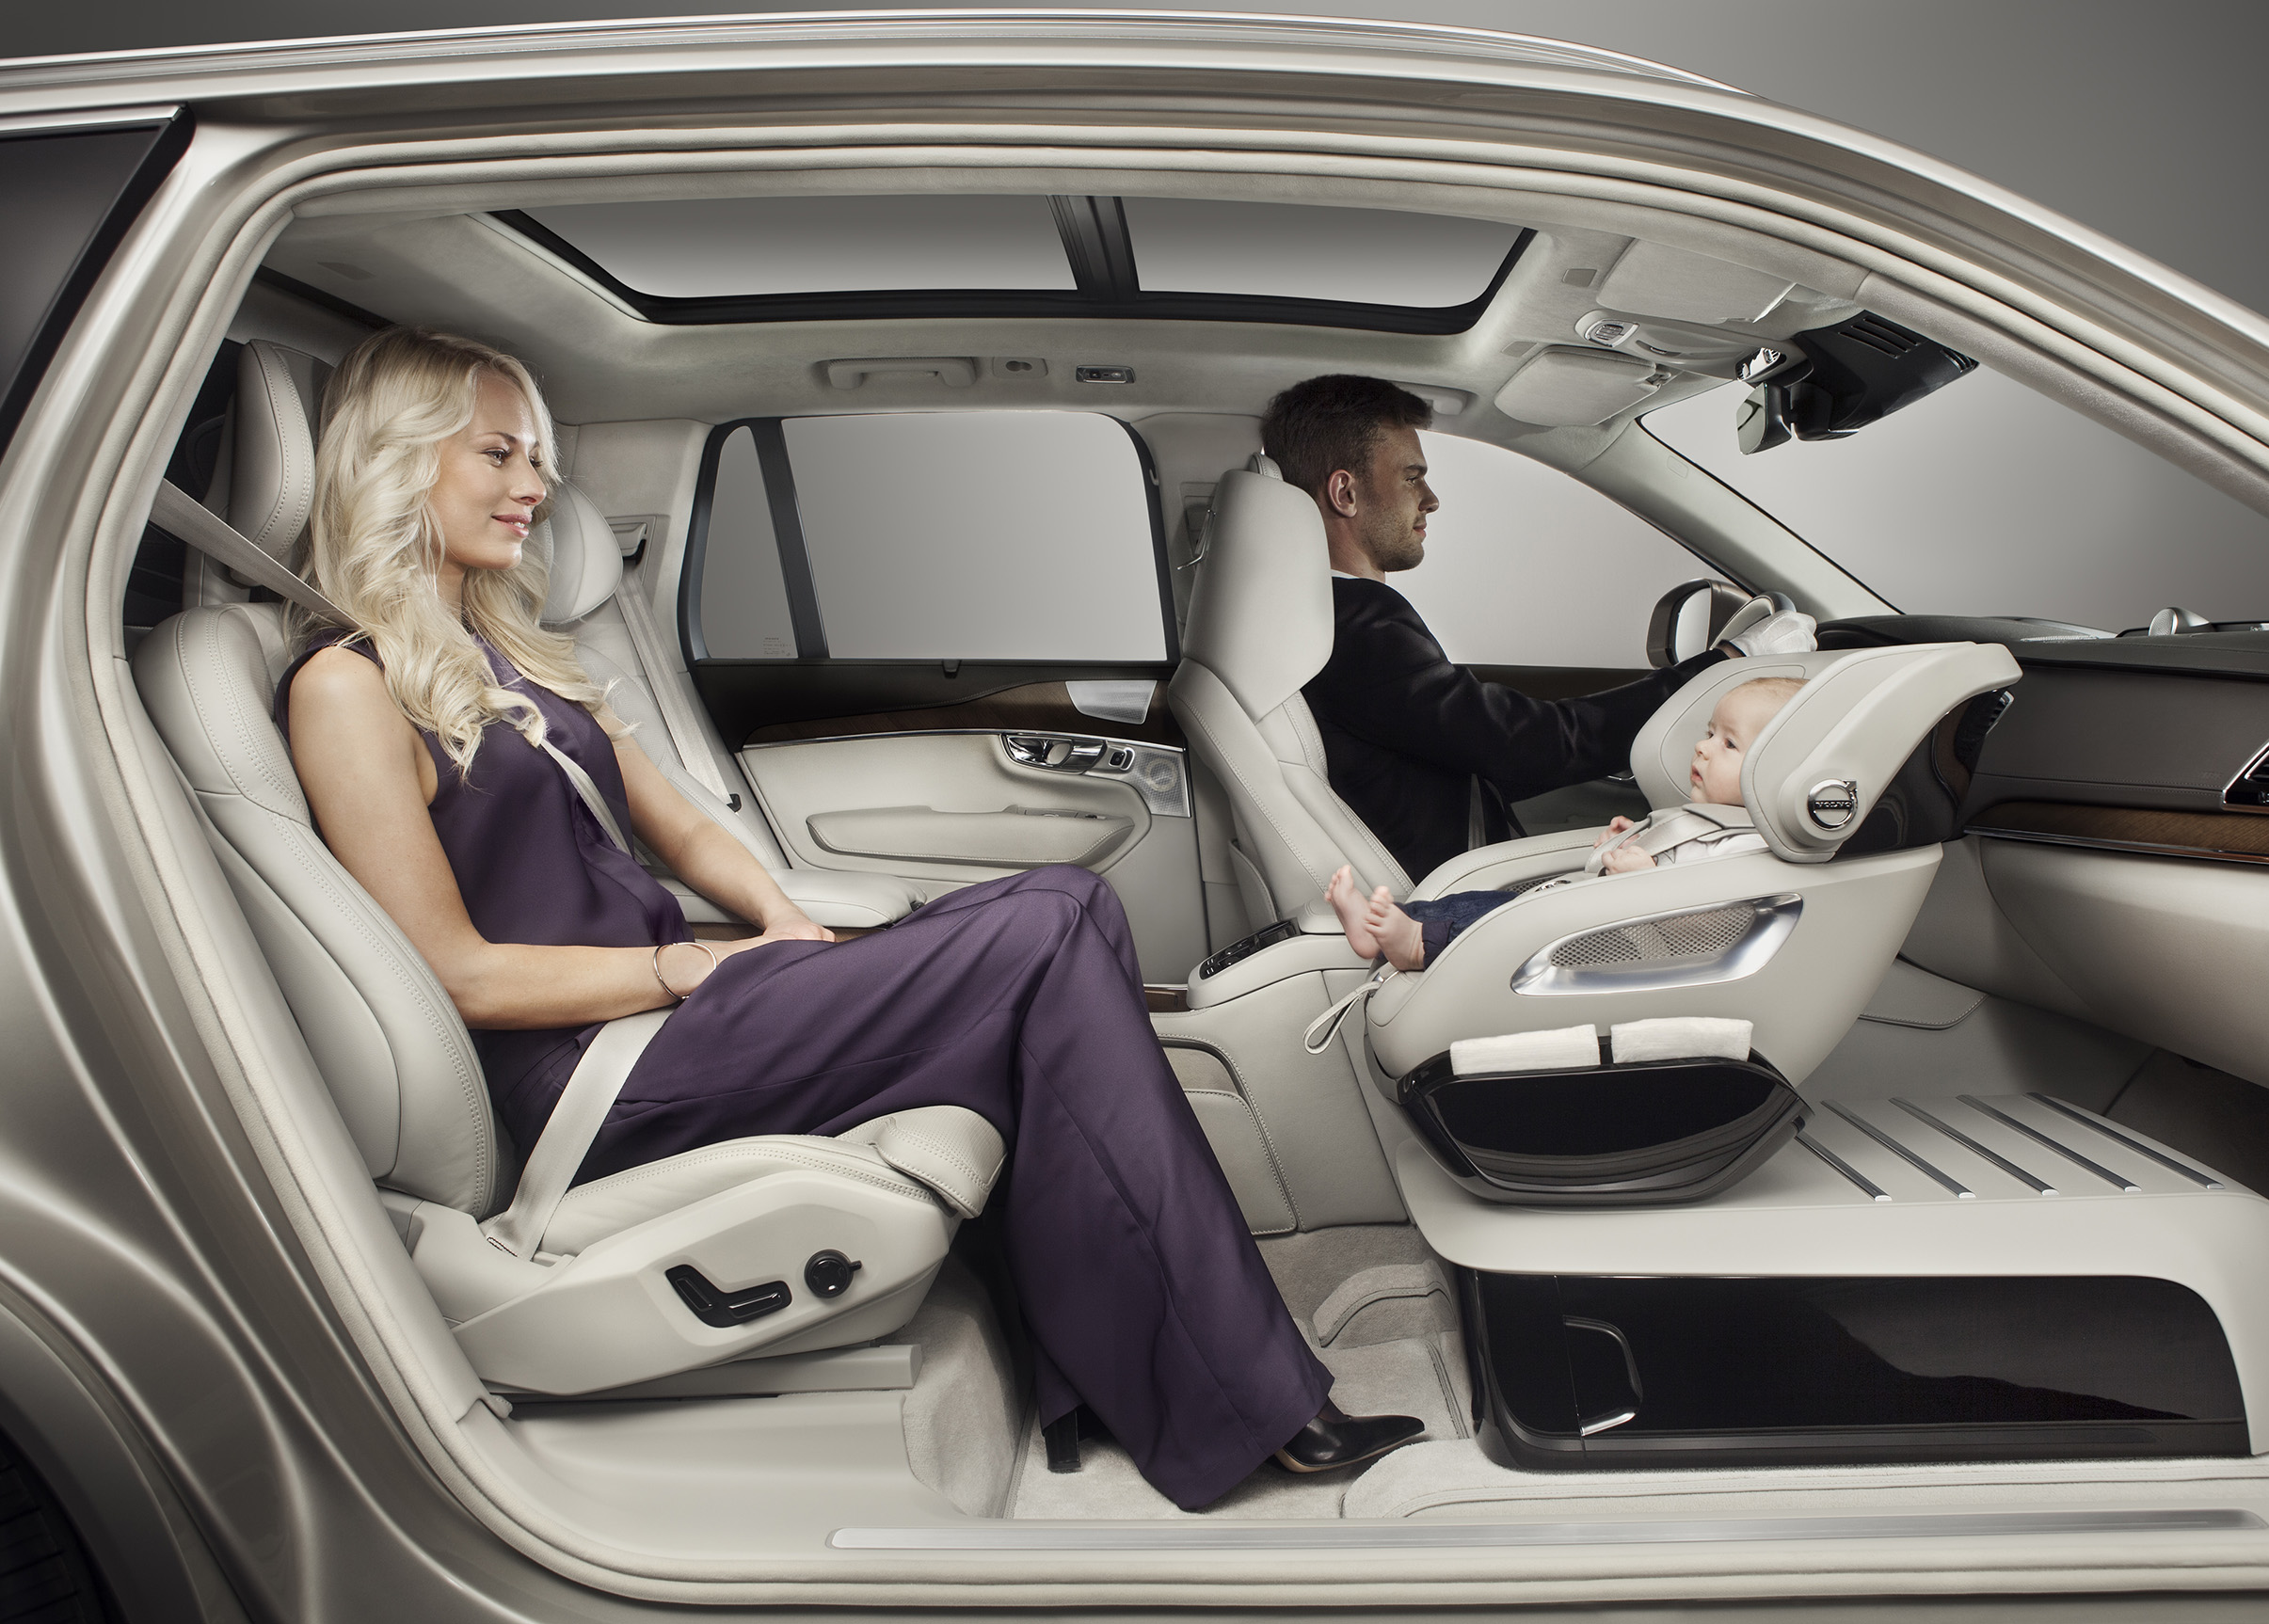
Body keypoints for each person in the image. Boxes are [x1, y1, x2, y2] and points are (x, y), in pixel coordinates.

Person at [274, 327, 1421, 1512]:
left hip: (687, 1017)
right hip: (597, 1070)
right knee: (1047, 923)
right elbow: (457, 976)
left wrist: (782, 922)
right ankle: (1242, 1400)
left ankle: (1134, 1378)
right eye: (499, 454)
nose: (534, 485)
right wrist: (685, 966)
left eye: (537, 458)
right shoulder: (346, 686)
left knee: (1067, 906)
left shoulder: (509, 656)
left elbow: (683, 827)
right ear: (398, 458)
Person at [1261, 374, 1816, 884]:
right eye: (1412, 478)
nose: (1431, 499)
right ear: (1345, 493)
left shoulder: (1319, 616)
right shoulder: (1359, 623)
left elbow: (1475, 734)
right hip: (1457, 892)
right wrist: (1725, 664)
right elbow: (1524, 745)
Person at [1326, 677, 1802, 971]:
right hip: (1598, 913)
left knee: (1501, 928)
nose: (1702, 747)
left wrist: (1648, 878)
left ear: (1782, 770)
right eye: (1709, 733)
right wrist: (1620, 846)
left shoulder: (1747, 848)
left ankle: (1416, 946)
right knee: (1485, 904)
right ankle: (1395, 925)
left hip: (1627, 947)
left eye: (1729, 744)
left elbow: (1713, 925)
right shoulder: (1696, 818)